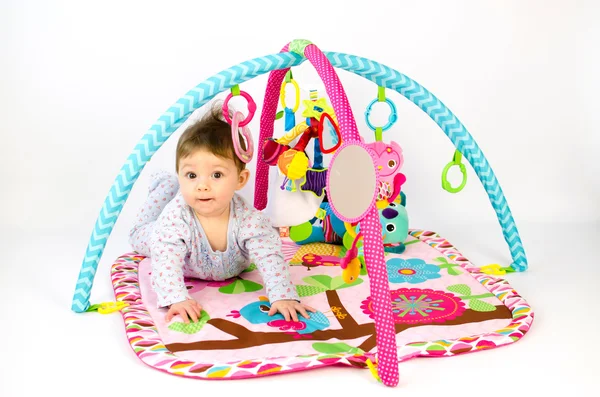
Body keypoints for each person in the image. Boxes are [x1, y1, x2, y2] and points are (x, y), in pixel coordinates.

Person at [129, 101, 315, 324]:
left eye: (216, 175)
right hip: (158, 233)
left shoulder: (249, 220)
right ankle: (166, 186)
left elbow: (269, 256)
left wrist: (282, 295)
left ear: (240, 180)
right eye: (191, 175)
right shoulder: (175, 219)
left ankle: (176, 184)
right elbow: (165, 259)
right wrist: (175, 298)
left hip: (225, 260)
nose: (203, 186)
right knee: (138, 233)